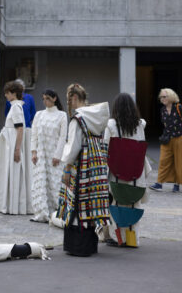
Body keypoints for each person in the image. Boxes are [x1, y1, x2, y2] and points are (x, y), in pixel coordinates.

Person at [57, 83, 111, 257]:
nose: (70, 104)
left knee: (77, 202)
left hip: (81, 167)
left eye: (69, 100)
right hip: (96, 167)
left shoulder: (78, 120)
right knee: (91, 203)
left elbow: (73, 147)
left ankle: (77, 246)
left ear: (73, 98)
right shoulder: (98, 117)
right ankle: (90, 244)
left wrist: (66, 169)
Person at [103, 93, 151, 248]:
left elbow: (105, 147)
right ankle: (132, 239)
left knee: (116, 204)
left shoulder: (111, 125)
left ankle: (118, 238)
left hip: (117, 172)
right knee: (133, 204)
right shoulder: (140, 124)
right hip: (136, 173)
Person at [29, 89, 67, 223]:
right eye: (43, 99)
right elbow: (34, 135)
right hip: (41, 154)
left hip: (54, 154)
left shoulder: (62, 115)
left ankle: (57, 213)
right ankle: (41, 213)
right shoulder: (39, 115)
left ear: (54, 98)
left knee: (55, 183)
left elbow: (63, 137)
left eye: (47, 99)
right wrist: (34, 152)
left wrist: (58, 155)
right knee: (40, 183)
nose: (45, 101)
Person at [0, 81, 32, 215]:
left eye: (7, 93)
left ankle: (15, 205)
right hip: (10, 144)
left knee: (15, 173)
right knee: (12, 173)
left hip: (13, 145)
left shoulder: (16, 107)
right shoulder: (15, 107)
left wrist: (17, 150)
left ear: (14, 93)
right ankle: (12, 204)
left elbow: (20, 129)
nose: (5, 95)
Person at [149, 88, 182, 193]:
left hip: (180, 138)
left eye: (165, 96)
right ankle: (159, 183)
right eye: (161, 97)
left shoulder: (179, 107)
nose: (162, 99)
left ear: (171, 97)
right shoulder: (162, 110)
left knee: (179, 161)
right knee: (163, 161)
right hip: (167, 139)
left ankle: (177, 185)